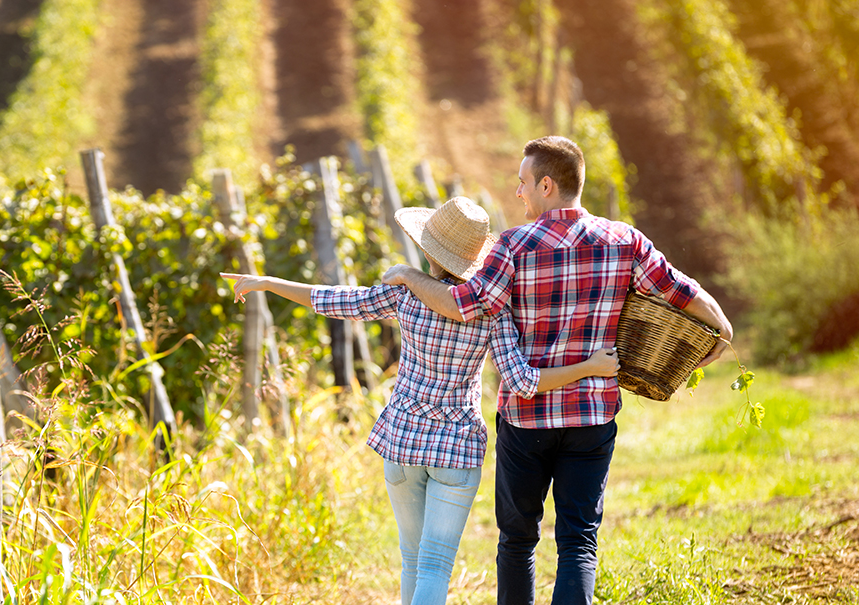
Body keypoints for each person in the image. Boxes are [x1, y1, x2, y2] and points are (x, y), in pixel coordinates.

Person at [382, 136, 734, 605]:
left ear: (547, 185)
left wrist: (408, 275)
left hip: (526, 419)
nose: (519, 193)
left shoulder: (512, 246)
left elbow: (460, 304)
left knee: (516, 542)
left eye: (523, 183)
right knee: (578, 543)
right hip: (591, 417)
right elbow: (678, 289)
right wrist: (722, 327)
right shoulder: (624, 240)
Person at [222, 196, 620, 605]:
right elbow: (521, 380)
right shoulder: (491, 311)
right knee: (434, 566)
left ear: (427, 249)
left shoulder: (404, 295)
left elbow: (333, 300)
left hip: (402, 440)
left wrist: (267, 283)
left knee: (412, 560)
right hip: (456, 446)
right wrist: (589, 366)